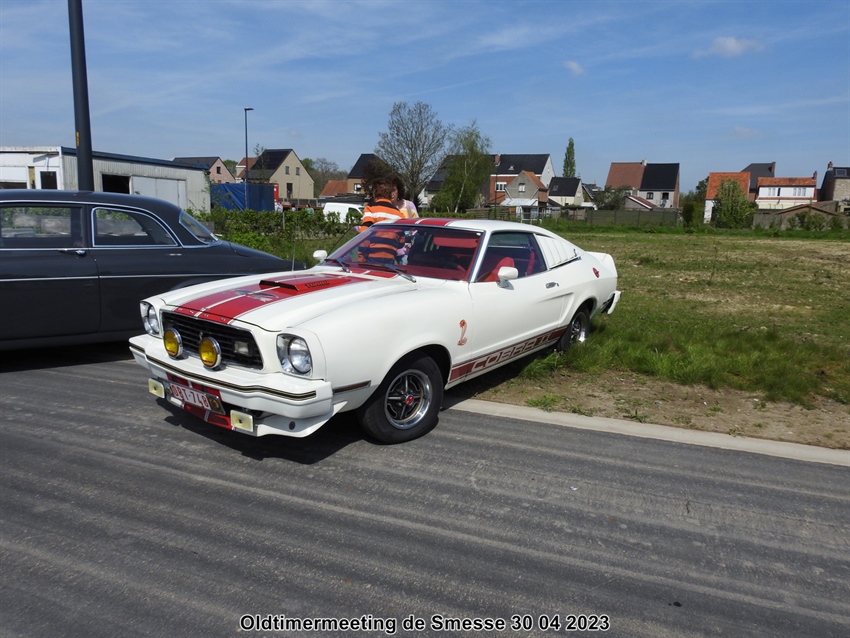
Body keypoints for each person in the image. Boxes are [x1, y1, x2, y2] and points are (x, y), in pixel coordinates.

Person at [358, 176, 406, 264]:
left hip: (371, 259)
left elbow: (363, 236)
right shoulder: (399, 215)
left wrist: (361, 258)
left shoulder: (370, 209)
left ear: (374, 194)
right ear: (391, 194)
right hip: (389, 260)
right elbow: (401, 242)